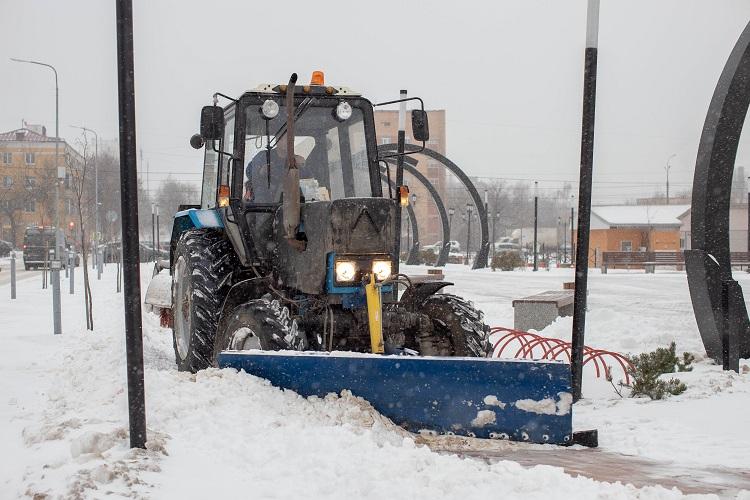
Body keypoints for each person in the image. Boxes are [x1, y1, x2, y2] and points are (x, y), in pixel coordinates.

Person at [244, 138, 306, 203]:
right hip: (264, 205)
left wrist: (303, 165)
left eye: (290, 140)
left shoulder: (297, 160)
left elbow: (309, 179)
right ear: (277, 140)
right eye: (283, 139)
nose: (287, 142)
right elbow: (249, 172)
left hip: (290, 202)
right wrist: (260, 171)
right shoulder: (263, 156)